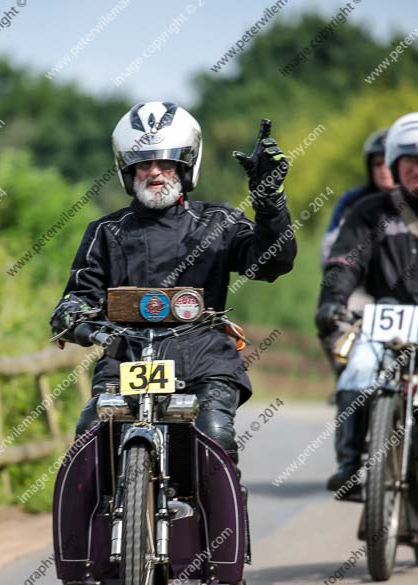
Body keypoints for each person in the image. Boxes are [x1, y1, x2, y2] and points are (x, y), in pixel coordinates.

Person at [50, 101, 296, 468]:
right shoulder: (104, 232)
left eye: (165, 162)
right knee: (89, 437)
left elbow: (272, 263)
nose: (154, 172)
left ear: (184, 166)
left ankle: (226, 526)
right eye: (143, 163)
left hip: (204, 361)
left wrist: (269, 202)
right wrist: (77, 318)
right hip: (126, 360)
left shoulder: (222, 220)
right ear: (127, 170)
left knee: (216, 434)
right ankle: (84, 527)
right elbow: (76, 299)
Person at [316, 112, 418, 494]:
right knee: (358, 367)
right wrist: (332, 301)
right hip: (385, 318)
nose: (417, 171)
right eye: (410, 163)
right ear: (394, 164)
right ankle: (351, 464)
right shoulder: (368, 212)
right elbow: (343, 263)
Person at [319, 129, 395, 376]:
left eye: (388, 161)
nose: (383, 169)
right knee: (334, 317)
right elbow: (331, 247)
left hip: (406, 291)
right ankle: (348, 380)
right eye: (377, 163)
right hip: (361, 288)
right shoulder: (354, 203)